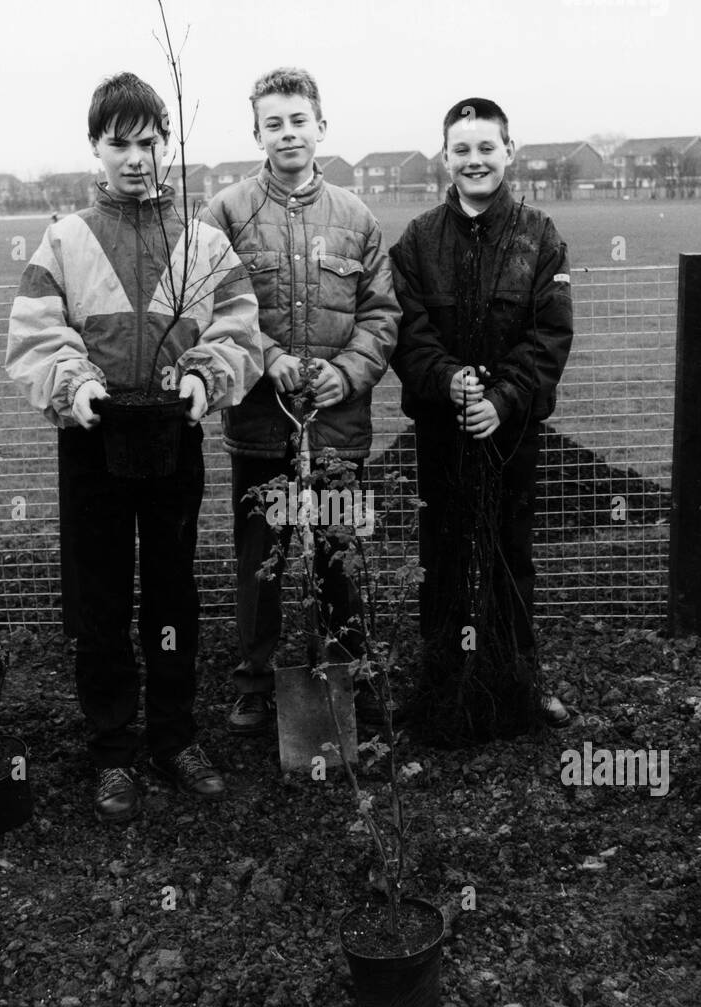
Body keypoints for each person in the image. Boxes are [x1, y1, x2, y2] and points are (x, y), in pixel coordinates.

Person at [6, 72, 263, 824]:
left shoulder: (204, 242)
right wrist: (72, 383)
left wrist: (206, 376)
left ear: (166, 146)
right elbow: (36, 333)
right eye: (119, 142)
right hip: (93, 442)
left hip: (172, 438)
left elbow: (238, 327)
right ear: (95, 148)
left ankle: (174, 736)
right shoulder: (65, 239)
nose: (136, 158)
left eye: (149, 142)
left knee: (174, 590)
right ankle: (113, 749)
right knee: (101, 598)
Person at [202, 67, 401, 736]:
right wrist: (271, 359)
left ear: (322, 125)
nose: (287, 133)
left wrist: (348, 373)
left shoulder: (356, 216)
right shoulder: (227, 212)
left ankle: (347, 672)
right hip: (261, 430)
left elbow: (381, 313)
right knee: (261, 562)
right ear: (255, 131)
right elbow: (211, 306)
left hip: (339, 431)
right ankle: (255, 683)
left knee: (338, 557)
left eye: (298, 120)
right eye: (273, 122)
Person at [389, 96, 574, 742]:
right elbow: (407, 333)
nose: (474, 160)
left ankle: (516, 683)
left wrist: (502, 399)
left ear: (508, 152)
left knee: (509, 555)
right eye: (461, 150)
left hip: (511, 433)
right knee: (441, 555)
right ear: (445, 157)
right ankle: (441, 685)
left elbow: (549, 335)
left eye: (486, 148)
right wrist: (449, 382)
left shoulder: (540, 237)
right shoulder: (416, 241)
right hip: (443, 432)